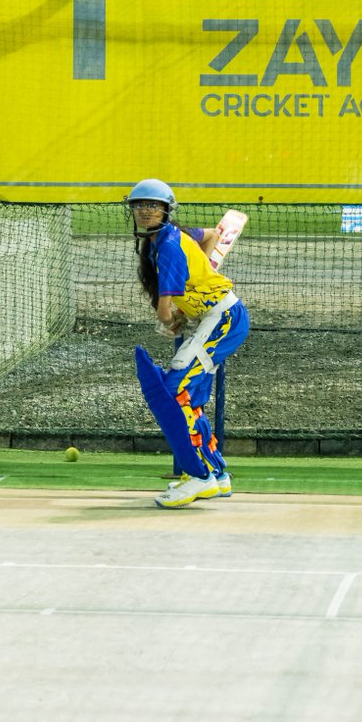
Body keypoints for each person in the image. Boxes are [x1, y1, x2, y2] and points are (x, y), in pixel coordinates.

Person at [125, 178, 250, 509]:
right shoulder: (175, 236)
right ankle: (216, 474)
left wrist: (171, 321)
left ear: (167, 210)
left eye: (153, 206)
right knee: (186, 393)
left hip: (223, 318)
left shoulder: (166, 247)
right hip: (221, 316)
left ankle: (199, 477)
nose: (145, 212)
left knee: (175, 389)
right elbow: (212, 235)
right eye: (139, 206)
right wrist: (200, 274)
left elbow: (166, 311)